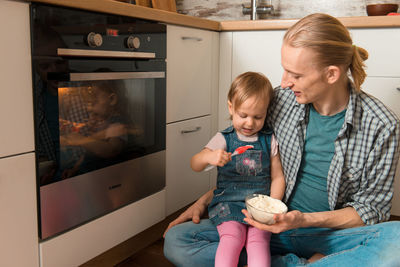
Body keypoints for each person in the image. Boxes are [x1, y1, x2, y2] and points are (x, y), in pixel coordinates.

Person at [163, 13, 400, 266]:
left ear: (331, 74)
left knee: (397, 241)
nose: (285, 82)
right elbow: (246, 157)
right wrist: (207, 199)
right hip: (264, 227)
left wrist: (303, 220)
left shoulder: (382, 126)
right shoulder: (280, 101)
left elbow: (370, 211)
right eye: (284, 70)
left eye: (295, 75)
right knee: (178, 240)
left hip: (329, 234)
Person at [190, 72, 285, 267]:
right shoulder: (223, 138)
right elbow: (195, 163)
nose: (250, 123)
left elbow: (277, 177)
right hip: (228, 204)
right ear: (231, 108)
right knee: (232, 238)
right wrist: (209, 156)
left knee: (258, 242)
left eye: (258, 117)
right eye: (243, 115)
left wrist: (272, 206)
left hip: (260, 207)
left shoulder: (270, 139)